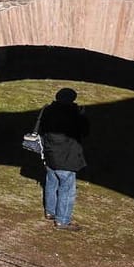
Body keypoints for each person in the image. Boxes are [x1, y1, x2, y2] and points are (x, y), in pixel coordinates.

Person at [39, 87, 90, 230]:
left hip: (50, 153)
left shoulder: (48, 110)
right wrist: (82, 116)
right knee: (67, 190)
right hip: (67, 157)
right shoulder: (74, 114)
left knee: (51, 183)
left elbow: (42, 128)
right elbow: (84, 131)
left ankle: (50, 212)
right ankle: (62, 220)